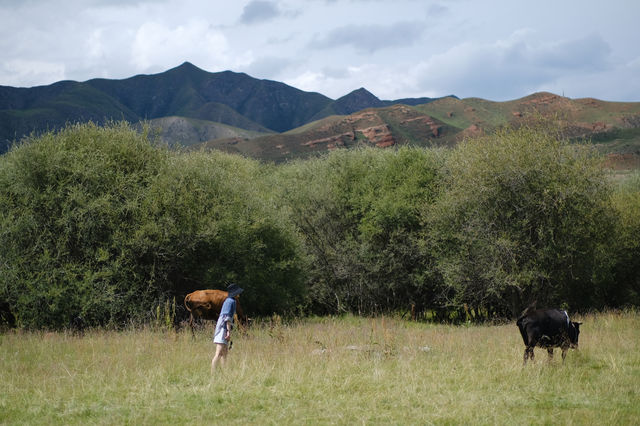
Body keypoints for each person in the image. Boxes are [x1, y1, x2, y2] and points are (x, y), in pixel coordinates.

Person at [211, 283, 244, 372]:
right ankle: (212, 375)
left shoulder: (229, 300)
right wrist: (228, 331)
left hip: (223, 328)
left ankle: (224, 373)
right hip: (223, 329)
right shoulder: (231, 301)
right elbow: (227, 318)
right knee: (218, 353)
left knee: (225, 353)